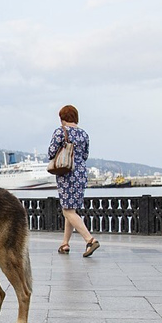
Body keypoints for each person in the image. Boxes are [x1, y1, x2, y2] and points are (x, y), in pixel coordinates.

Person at [48, 105, 99, 257]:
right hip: (81, 173)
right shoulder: (84, 134)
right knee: (71, 210)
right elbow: (85, 155)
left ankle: (90, 240)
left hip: (66, 172)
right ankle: (65, 244)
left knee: (67, 210)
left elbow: (51, 153)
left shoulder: (60, 131)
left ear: (62, 118)